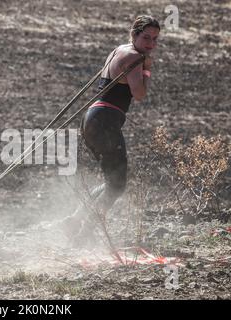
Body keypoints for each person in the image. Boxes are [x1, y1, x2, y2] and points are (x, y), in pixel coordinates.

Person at [61, 15, 161, 247]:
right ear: (134, 34)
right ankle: (83, 234)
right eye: (146, 38)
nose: (151, 44)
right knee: (117, 186)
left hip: (92, 119)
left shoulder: (120, 49)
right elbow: (139, 94)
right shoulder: (135, 58)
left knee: (112, 182)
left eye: (155, 39)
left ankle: (74, 221)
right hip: (105, 120)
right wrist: (147, 71)